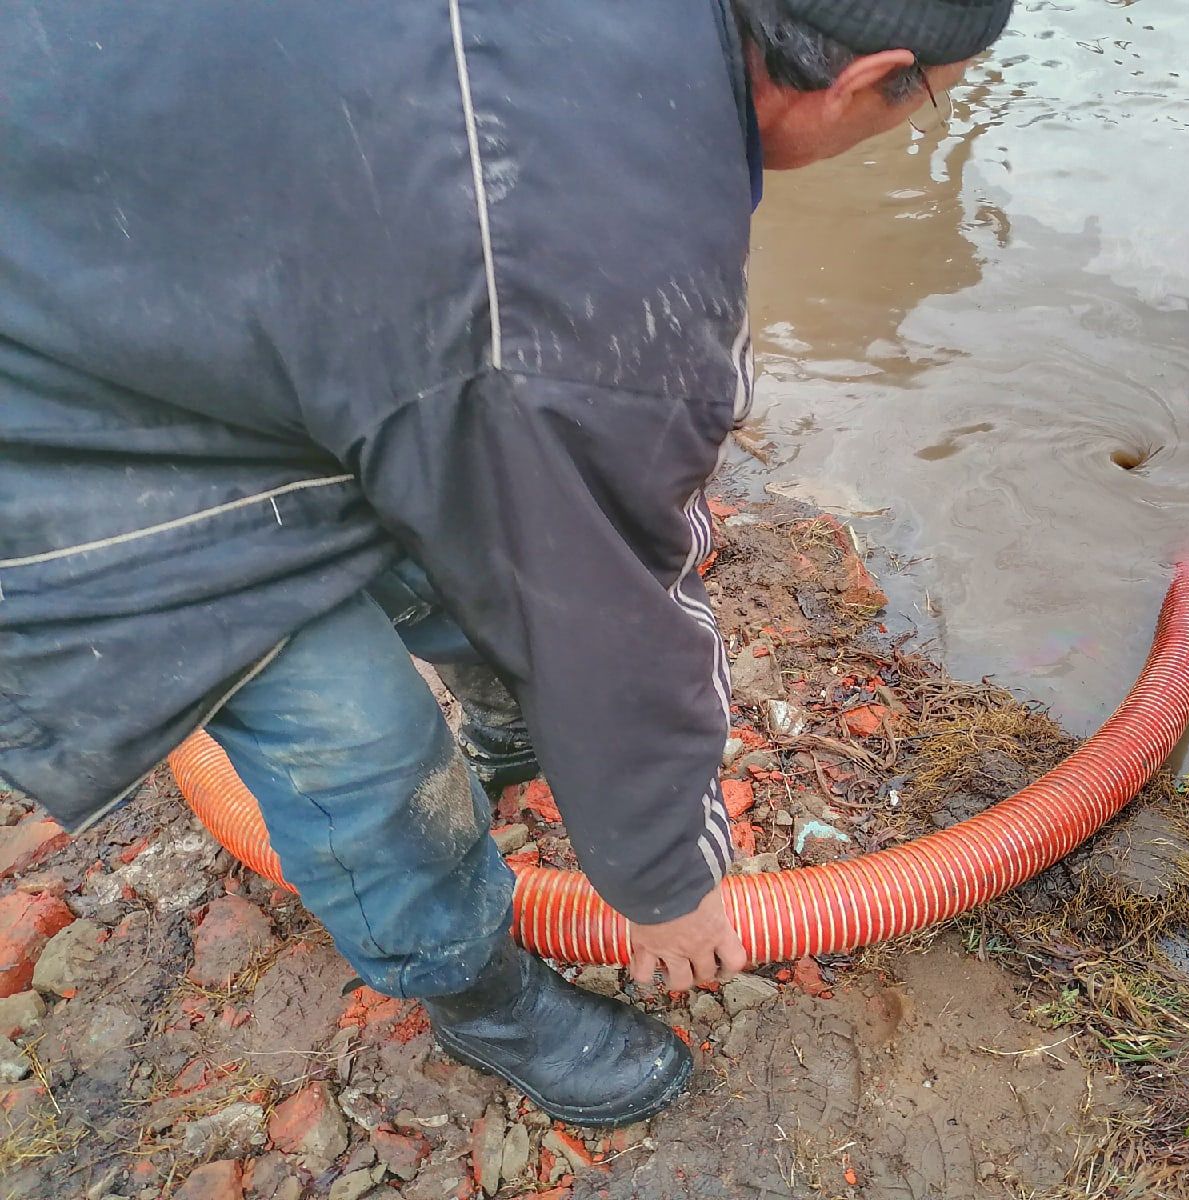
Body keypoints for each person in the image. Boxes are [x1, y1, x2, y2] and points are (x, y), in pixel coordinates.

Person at [0, 0, 1012, 1125]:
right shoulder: (596, 287)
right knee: (360, 748)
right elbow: (606, 604)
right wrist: (666, 886)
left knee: (471, 510)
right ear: (868, 76)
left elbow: (515, 493)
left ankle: (514, 738)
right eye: (931, 94)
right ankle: (474, 991)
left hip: (157, 269)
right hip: (52, 436)